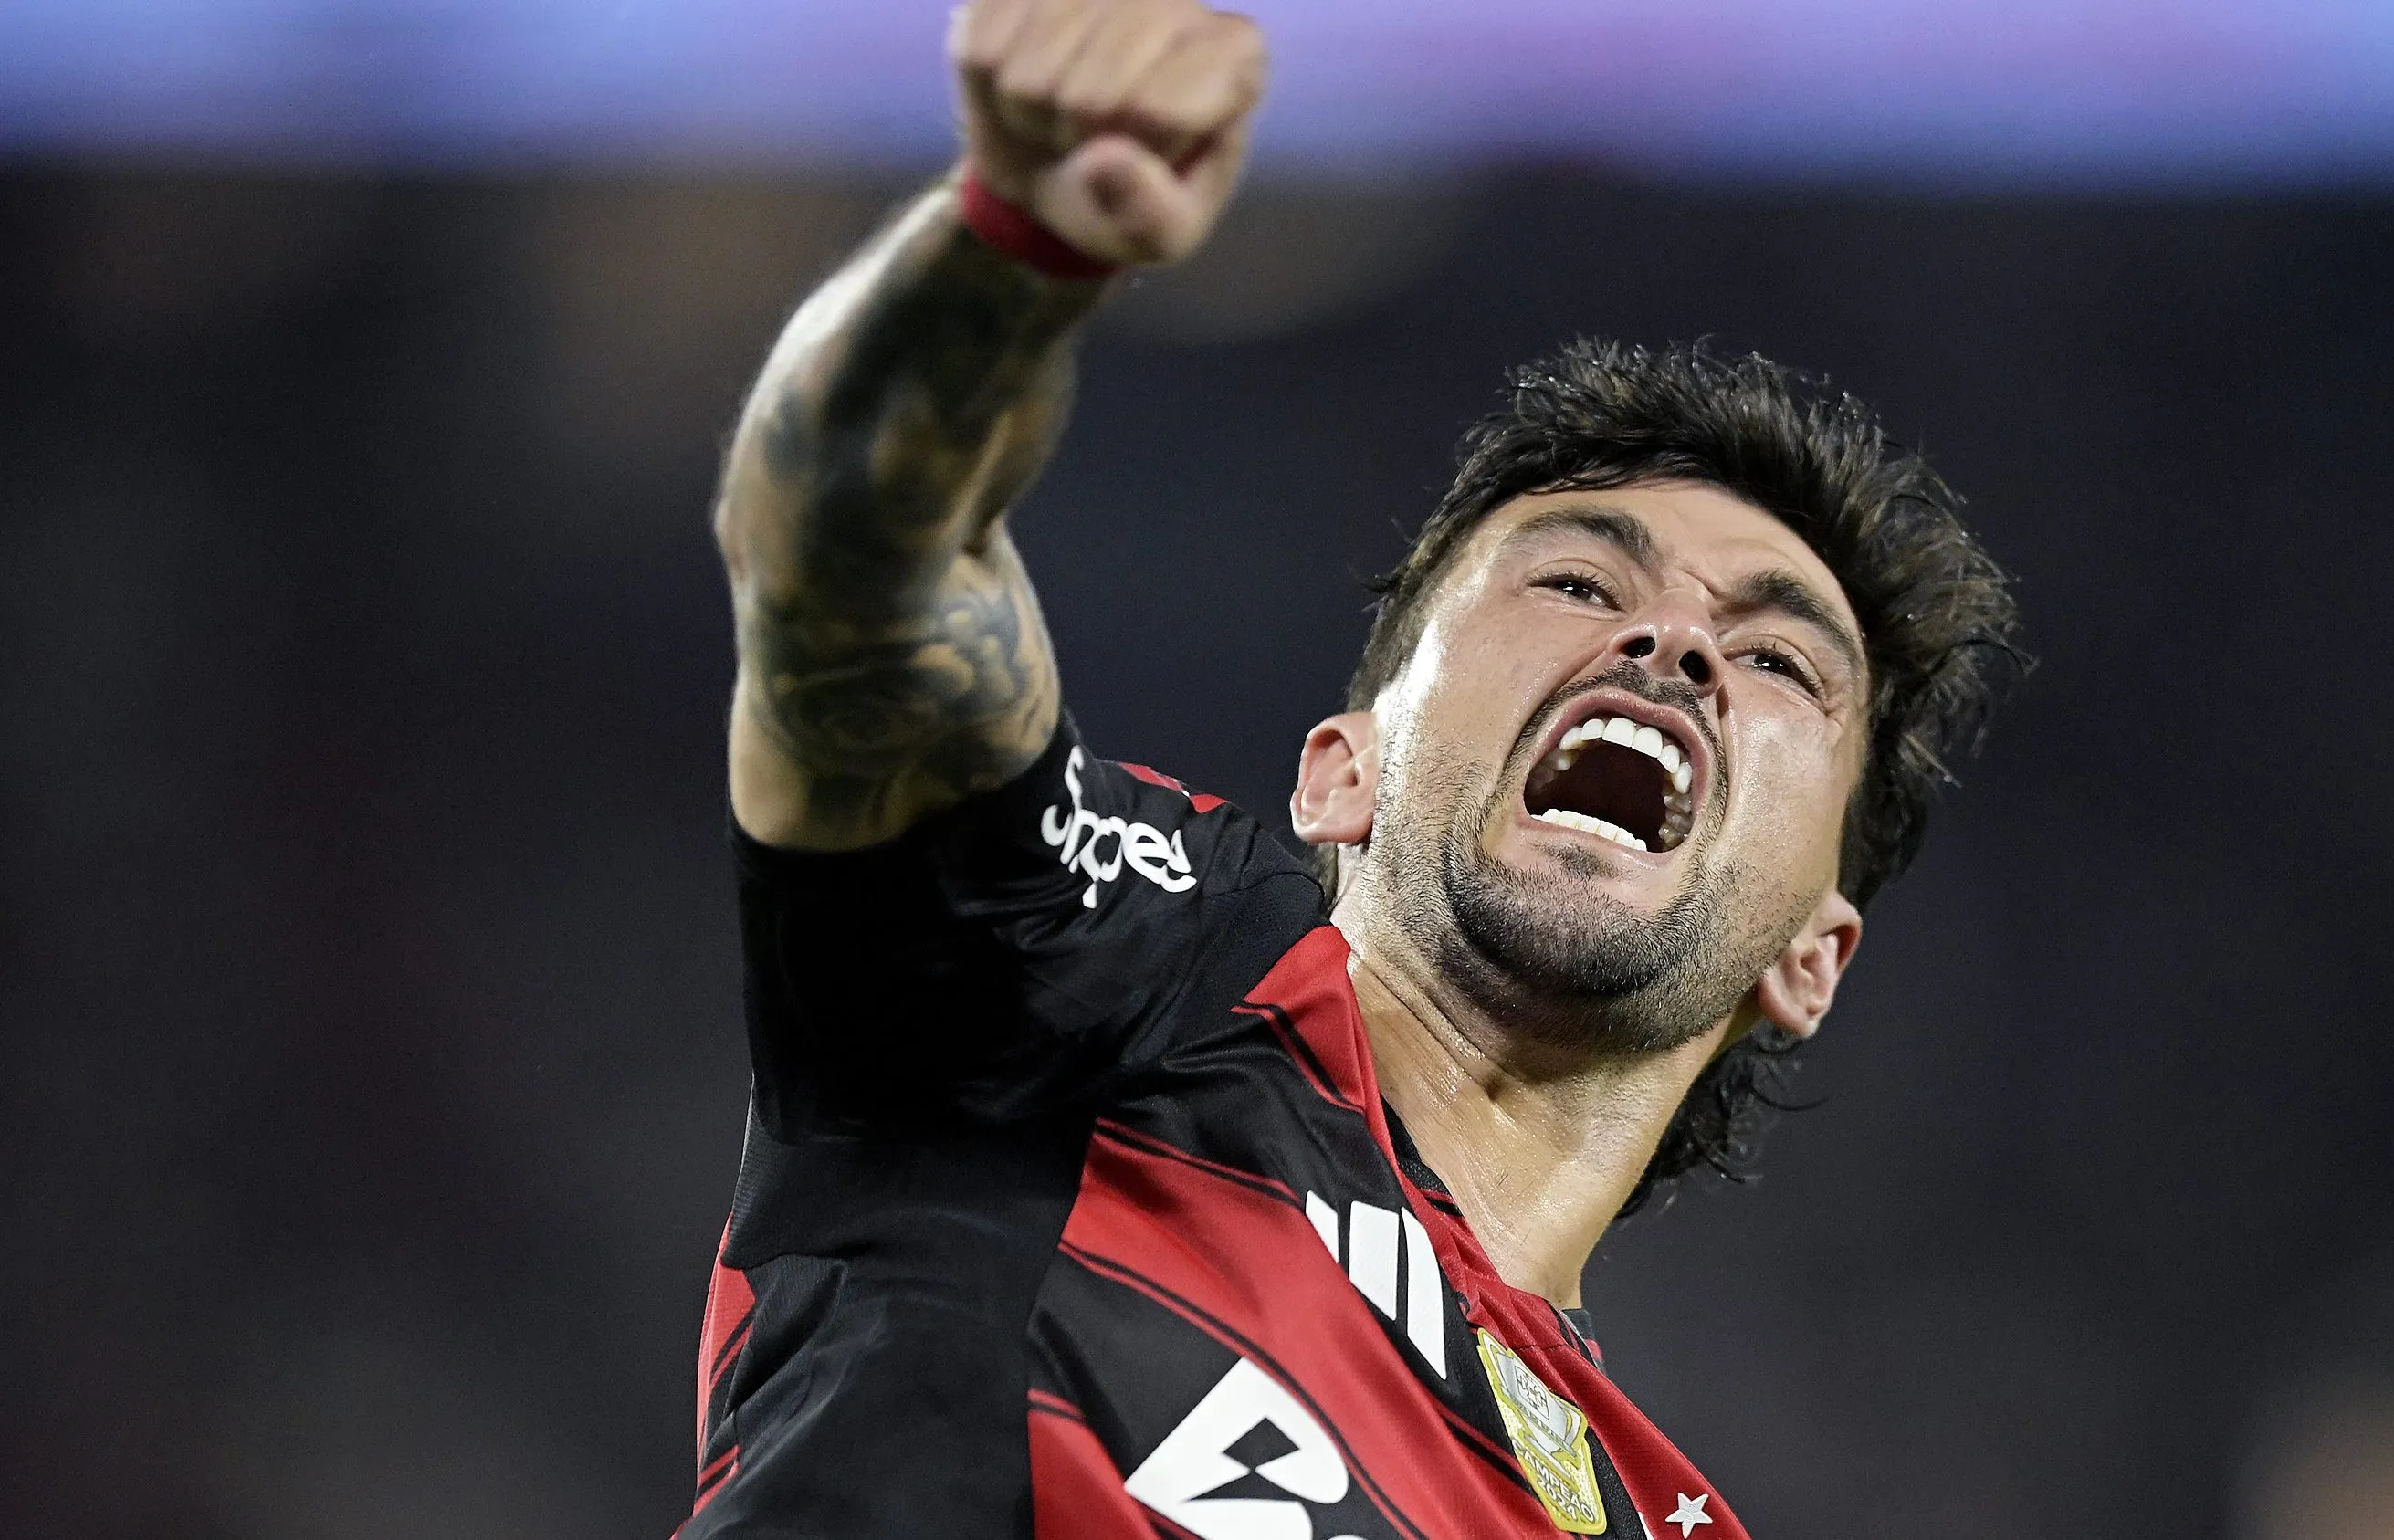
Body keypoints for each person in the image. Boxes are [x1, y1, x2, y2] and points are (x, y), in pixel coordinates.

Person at [682, 1, 2019, 1535]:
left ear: (1812, 957)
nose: (1675, 646)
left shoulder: (1658, 1515)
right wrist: (1009, 251)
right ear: (1340, 775)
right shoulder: (1118, 972)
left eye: (1781, 660)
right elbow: (846, 561)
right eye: (1581, 582)